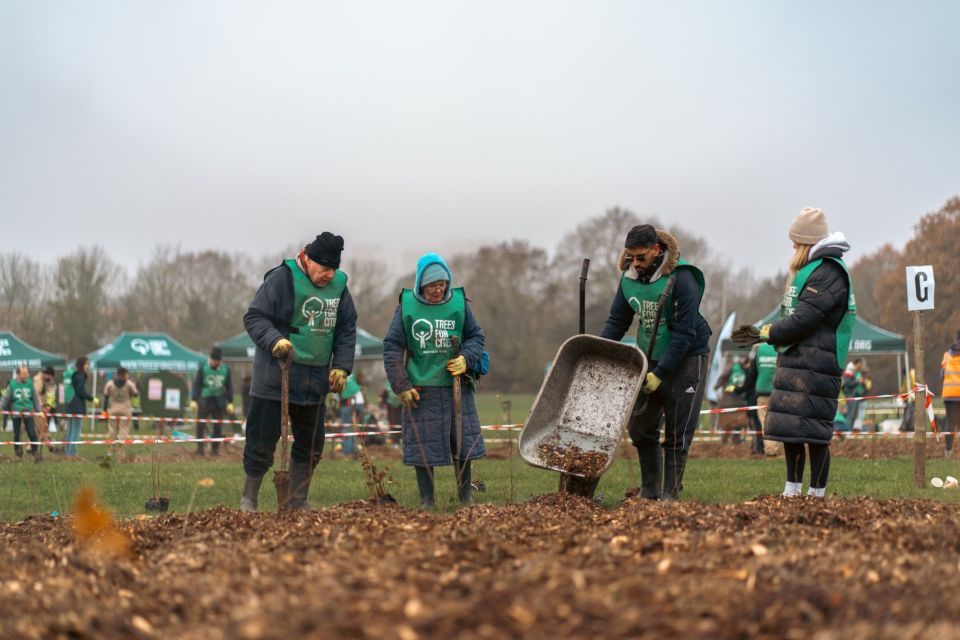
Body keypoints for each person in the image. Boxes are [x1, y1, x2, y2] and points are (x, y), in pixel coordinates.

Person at [732, 207, 855, 498]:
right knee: (792, 430)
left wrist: (766, 333)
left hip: (816, 364)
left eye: (796, 241)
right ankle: (792, 491)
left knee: (815, 434)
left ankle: (816, 495)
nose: (791, 247)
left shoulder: (827, 271)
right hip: (800, 362)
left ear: (807, 242)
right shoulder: (813, 270)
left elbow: (803, 320)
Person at [241, 232, 357, 511]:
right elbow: (254, 316)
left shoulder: (339, 288)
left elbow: (346, 329)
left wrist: (341, 366)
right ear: (307, 259)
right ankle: (250, 499)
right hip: (276, 374)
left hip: (314, 379)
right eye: (324, 268)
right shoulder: (281, 278)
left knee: (312, 443)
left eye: (334, 269)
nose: (329, 275)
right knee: (262, 440)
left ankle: (297, 499)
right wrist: (274, 340)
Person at [600, 224, 712, 500]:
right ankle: (649, 490)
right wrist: (598, 353)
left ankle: (670, 495)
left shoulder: (682, 278)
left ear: (656, 250)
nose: (635, 263)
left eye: (641, 257)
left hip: (688, 356)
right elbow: (617, 321)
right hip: (648, 356)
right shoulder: (628, 279)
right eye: (631, 257)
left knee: (677, 429)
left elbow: (685, 333)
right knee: (639, 426)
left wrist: (661, 373)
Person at [382, 252, 486, 509]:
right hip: (421, 388)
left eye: (442, 285)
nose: (438, 290)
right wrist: (400, 385)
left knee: (462, 444)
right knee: (423, 448)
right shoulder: (406, 306)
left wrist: (466, 358)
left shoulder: (460, 304)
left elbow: (476, 336)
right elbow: (392, 346)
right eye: (432, 286)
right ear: (420, 285)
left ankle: (466, 497)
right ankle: (427, 500)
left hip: (456, 387)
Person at [191, 347, 234, 456]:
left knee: (218, 426)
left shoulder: (225, 369)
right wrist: (194, 399)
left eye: (217, 361)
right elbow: (197, 384)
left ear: (220, 361)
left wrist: (230, 401)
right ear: (210, 359)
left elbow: (228, 385)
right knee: (200, 424)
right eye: (213, 360)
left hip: (219, 400)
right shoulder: (203, 368)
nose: (215, 363)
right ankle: (200, 449)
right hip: (205, 399)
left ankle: (215, 450)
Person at [745, 342, 779, 456]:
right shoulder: (781, 347)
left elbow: (752, 373)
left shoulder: (759, 349)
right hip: (778, 390)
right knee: (777, 420)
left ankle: (770, 450)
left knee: (765, 421)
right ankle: (775, 448)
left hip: (762, 391)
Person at [1, 366, 42, 460]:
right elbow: (6, 398)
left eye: (27, 373)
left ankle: (35, 451)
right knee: (17, 434)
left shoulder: (30, 383)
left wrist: (39, 410)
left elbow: (35, 398)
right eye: (24, 374)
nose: (26, 375)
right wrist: (1, 406)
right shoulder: (12, 385)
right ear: (18, 374)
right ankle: (18, 453)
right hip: (17, 412)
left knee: (32, 433)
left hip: (28, 412)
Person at [63, 357, 98, 457]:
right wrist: (91, 398)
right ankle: (71, 454)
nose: (88, 366)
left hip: (70, 403)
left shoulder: (74, 374)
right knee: (76, 430)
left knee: (70, 430)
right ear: (82, 364)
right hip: (77, 405)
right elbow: (80, 391)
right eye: (87, 364)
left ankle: (67, 452)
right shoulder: (80, 375)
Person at [103, 367, 138, 459]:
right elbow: (136, 394)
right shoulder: (129, 383)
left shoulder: (110, 383)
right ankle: (121, 452)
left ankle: (110, 451)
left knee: (112, 430)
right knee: (123, 431)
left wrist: (104, 410)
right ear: (124, 374)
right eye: (127, 374)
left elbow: (106, 397)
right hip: (125, 410)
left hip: (113, 410)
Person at [714, 355, 749, 445]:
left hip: (740, 401)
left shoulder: (748, 369)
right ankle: (724, 442)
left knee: (738, 423)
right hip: (728, 400)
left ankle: (736, 441)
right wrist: (717, 386)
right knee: (727, 424)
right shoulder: (733, 366)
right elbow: (723, 376)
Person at [940, 332, 960, 457]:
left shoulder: (947, 355)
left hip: (949, 394)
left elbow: (942, 375)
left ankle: (948, 451)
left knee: (950, 423)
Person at [33, 365, 57, 451]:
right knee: (41, 427)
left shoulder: (50, 381)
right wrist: (41, 406)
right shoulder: (38, 380)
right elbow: (35, 395)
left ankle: (30, 447)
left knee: (41, 427)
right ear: (46, 374)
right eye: (49, 376)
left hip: (44, 408)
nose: (50, 378)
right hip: (36, 408)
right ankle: (51, 445)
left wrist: (48, 405)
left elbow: (51, 393)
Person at [842, 359, 865, 430]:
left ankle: (850, 430)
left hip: (854, 395)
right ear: (856, 363)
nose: (860, 366)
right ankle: (847, 431)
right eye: (860, 364)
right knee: (850, 414)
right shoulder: (849, 371)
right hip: (849, 395)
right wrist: (858, 381)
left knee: (853, 415)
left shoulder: (854, 371)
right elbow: (848, 384)